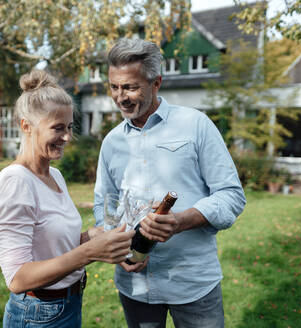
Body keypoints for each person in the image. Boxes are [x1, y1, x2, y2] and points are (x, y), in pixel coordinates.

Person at [93, 38, 246, 327]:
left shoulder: (196, 124)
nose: (120, 97)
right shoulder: (111, 142)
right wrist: (117, 248)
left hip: (192, 282)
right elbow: (104, 205)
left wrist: (181, 220)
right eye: (114, 87)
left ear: (156, 83)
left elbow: (231, 196)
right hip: (136, 284)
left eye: (131, 87)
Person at [0, 70, 135, 328]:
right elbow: (17, 279)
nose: (67, 137)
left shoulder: (54, 175)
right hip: (36, 314)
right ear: (26, 126)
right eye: (57, 128)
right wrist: (88, 252)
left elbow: (50, 246)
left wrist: (89, 237)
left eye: (69, 127)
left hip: (68, 305)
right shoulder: (16, 182)